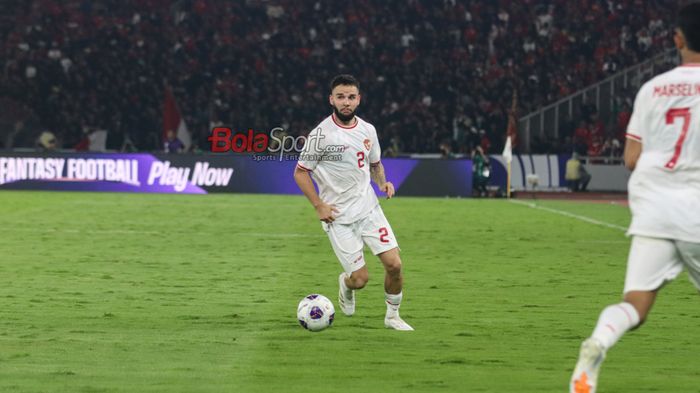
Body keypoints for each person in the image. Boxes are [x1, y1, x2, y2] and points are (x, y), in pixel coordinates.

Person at [570, 4, 700, 392]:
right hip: (695, 206)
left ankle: (599, 343)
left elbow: (630, 159)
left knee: (635, 305)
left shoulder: (652, 89)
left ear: (677, 39)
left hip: (654, 207)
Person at [293, 74, 413, 331]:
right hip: (338, 217)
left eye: (350, 97)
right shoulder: (321, 135)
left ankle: (392, 316)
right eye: (340, 97)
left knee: (395, 264)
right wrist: (318, 205)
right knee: (360, 280)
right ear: (331, 100)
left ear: (358, 99)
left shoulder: (368, 130)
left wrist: (382, 183)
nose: (345, 102)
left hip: (369, 209)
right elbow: (300, 172)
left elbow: (374, 164)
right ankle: (346, 285)